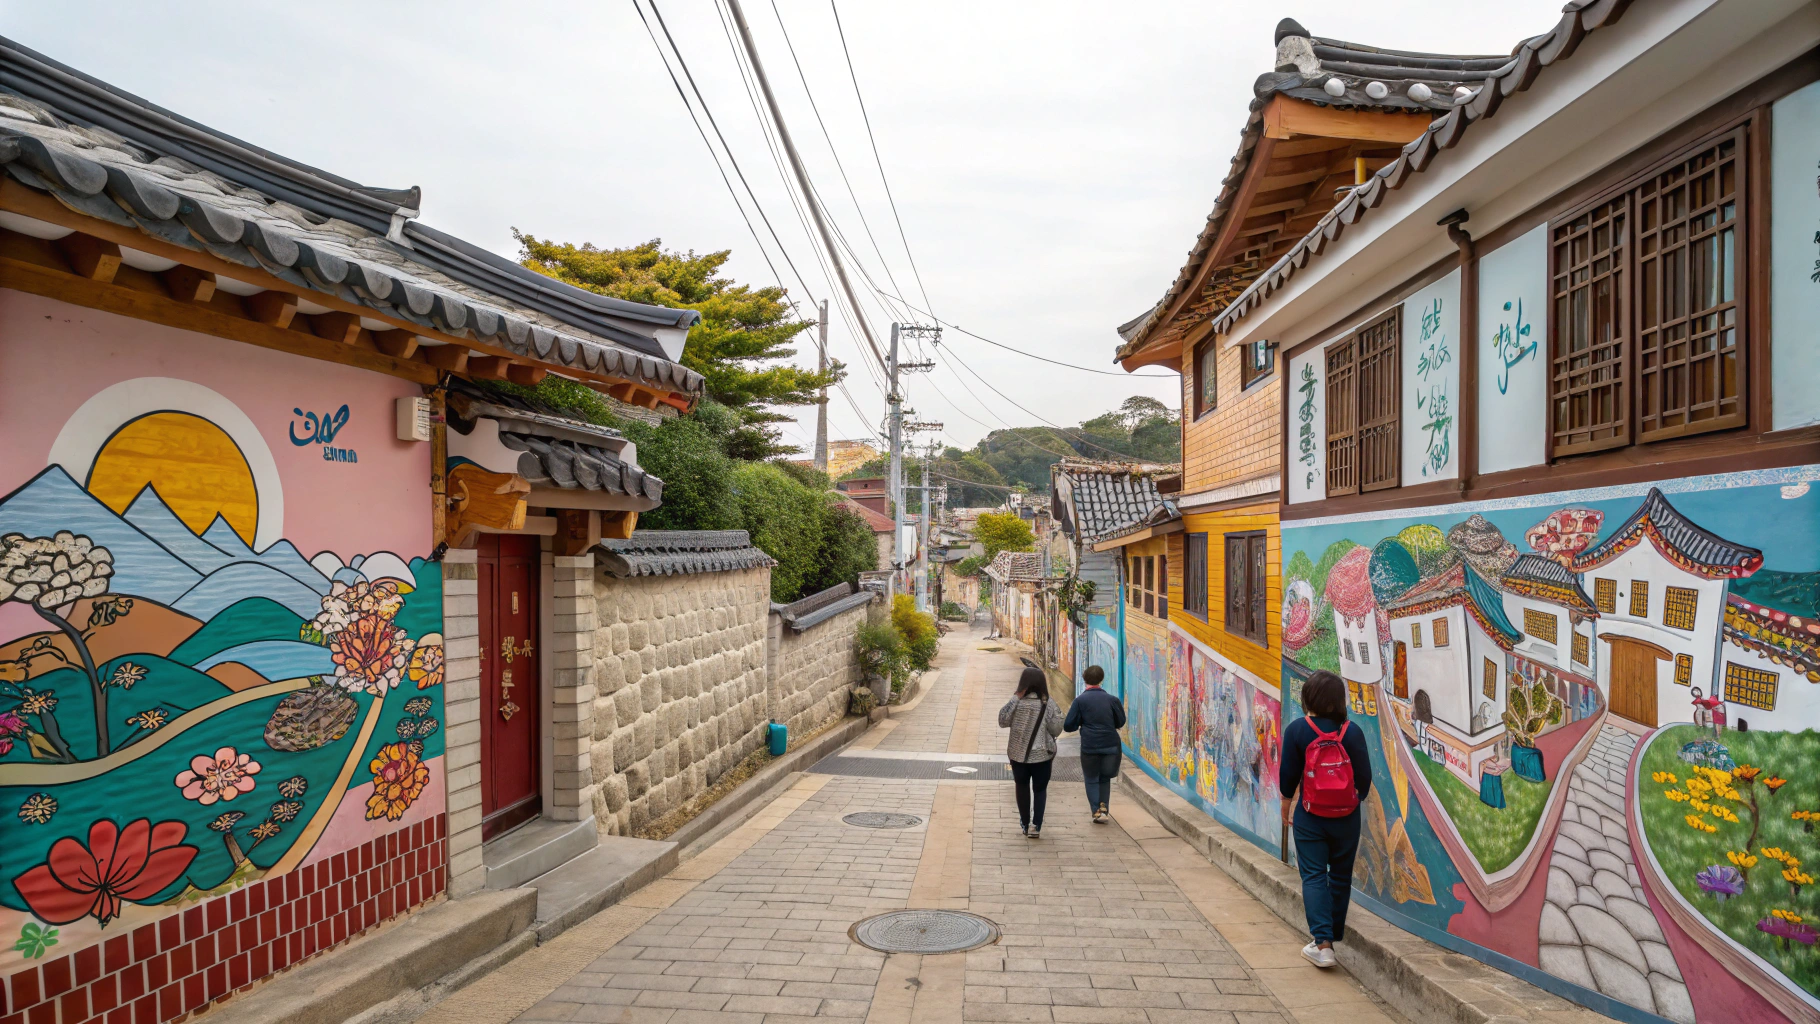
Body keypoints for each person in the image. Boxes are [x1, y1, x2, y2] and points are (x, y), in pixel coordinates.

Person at [1279, 671, 1373, 969]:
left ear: (1308, 697)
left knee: (1315, 876)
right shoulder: (1353, 732)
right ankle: (1331, 936)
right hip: (1347, 817)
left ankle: (1323, 945)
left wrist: (1286, 805)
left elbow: (1288, 777)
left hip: (1311, 815)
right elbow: (1365, 782)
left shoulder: (1298, 730)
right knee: (1340, 876)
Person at [998, 666, 1063, 838]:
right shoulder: (1049, 703)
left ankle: (1024, 823)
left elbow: (1002, 721)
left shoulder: (1016, 702)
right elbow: (1056, 729)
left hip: (1018, 755)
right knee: (1040, 790)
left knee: (1022, 787)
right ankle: (1036, 825)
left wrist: (1015, 697)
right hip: (1042, 755)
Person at [1063, 665, 1125, 823]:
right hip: (1111, 745)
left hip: (1090, 746)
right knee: (1105, 778)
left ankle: (1096, 809)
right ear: (1101, 680)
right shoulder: (1112, 700)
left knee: (1091, 778)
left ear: (1084, 680)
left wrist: (1081, 722)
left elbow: (1069, 725)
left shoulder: (1080, 701)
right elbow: (1121, 721)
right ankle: (1104, 807)